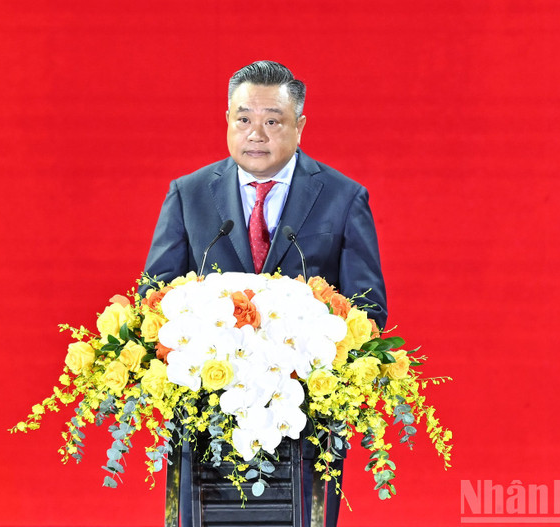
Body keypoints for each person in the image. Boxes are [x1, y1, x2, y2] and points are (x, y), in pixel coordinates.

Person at [143, 60, 387, 527]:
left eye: (272, 120)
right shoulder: (189, 193)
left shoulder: (342, 197)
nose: (256, 133)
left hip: (305, 417)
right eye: (243, 119)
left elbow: (369, 309)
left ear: (300, 125)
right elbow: (154, 297)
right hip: (205, 413)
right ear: (227, 121)